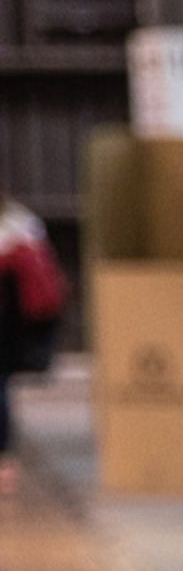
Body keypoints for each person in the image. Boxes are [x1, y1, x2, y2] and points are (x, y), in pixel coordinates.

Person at [0, 185, 65, 496]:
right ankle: (5, 459)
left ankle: (4, 459)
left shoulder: (13, 230)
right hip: (13, 327)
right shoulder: (23, 224)